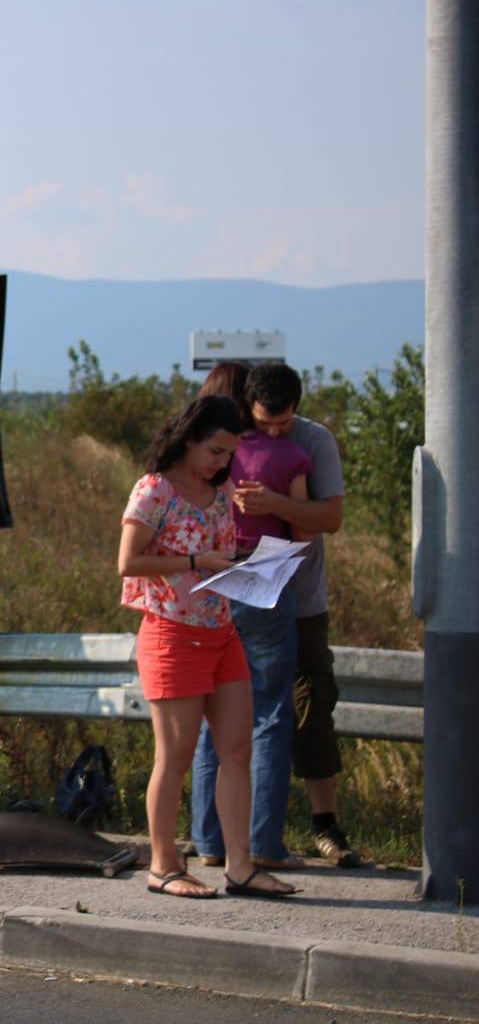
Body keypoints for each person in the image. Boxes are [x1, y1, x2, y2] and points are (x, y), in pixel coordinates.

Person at [117, 395, 299, 899]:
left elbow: (215, 553)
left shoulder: (219, 493)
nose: (223, 463)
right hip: (172, 636)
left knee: (237, 750)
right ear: (189, 439)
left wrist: (247, 565)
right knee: (173, 757)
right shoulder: (155, 489)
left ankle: (240, 867)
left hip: (223, 633)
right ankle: (163, 865)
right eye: (216, 452)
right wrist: (197, 562)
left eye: (229, 455)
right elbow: (128, 563)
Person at [227, 363, 359, 867]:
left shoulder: (315, 441)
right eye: (266, 424)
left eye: (284, 423)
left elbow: (331, 518)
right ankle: (245, 832)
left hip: (301, 601)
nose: (276, 432)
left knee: (311, 705)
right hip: (246, 594)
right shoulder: (234, 438)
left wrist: (277, 502)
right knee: (242, 710)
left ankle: (325, 824)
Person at [189, 362, 313, 869]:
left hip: (212, 584)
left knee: (210, 719)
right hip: (263, 582)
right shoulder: (293, 454)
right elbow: (308, 528)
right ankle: (262, 843)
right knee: (270, 715)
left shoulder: (212, 456)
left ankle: (207, 842)